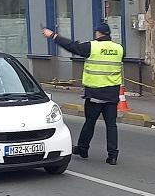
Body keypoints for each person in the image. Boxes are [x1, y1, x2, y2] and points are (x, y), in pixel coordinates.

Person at [41, 22, 123, 165]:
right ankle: (112, 155)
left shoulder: (92, 46)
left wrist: (53, 35)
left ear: (98, 33)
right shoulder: (119, 48)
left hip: (95, 94)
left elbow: (72, 46)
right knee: (111, 125)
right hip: (112, 94)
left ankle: (83, 149)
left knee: (90, 123)